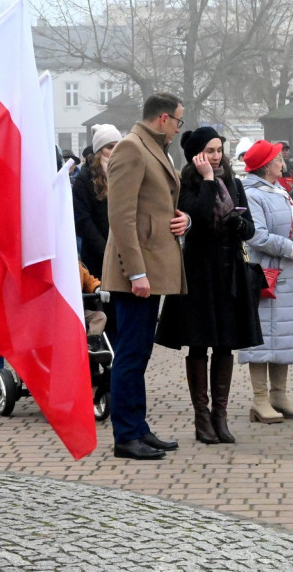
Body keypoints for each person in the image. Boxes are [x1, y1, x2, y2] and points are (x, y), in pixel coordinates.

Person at [156, 127, 263, 443]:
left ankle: (221, 415)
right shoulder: (185, 184)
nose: (216, 157)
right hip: (199, 271)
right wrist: (205, 179)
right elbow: (198, 216)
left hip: (230, 270)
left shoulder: (235, 183)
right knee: (199, 343)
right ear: (197, 155)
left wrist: (238, 223)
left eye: (219, 150)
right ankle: (201, 418)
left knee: (226, 343)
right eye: (210, 151)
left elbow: (249, 230)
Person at [100, 92, 189, 460]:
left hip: (149, 269)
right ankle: (126, 436)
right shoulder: (131, 148)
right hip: (135, 274)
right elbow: (121, 217)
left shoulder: (152, 147)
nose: (180, 129)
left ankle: (138, 427)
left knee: (138, 353)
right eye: (179, 121)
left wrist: (185, 220)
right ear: (164, 118)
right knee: (130, 355)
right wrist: (135, 272)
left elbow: (158, 205)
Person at [239, 140, 293, 423]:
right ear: (267, 165)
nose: (283, 163)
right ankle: (259, 399)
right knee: (262, 338)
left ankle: (278, 394)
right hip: (265, 274)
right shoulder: (251, 194)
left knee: (282, 336)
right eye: (278, 159)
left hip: (286, 272)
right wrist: (288, 247)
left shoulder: (280, 190)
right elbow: (255, 235)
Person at [73, 123, 121, 280]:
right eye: (109, 147)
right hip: (97, 255)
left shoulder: (125, 173)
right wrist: (106, 250)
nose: (114, 151)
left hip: (123, 253)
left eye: (118, 146)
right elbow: (83, 221)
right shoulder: (84, 178)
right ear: (99, 150)